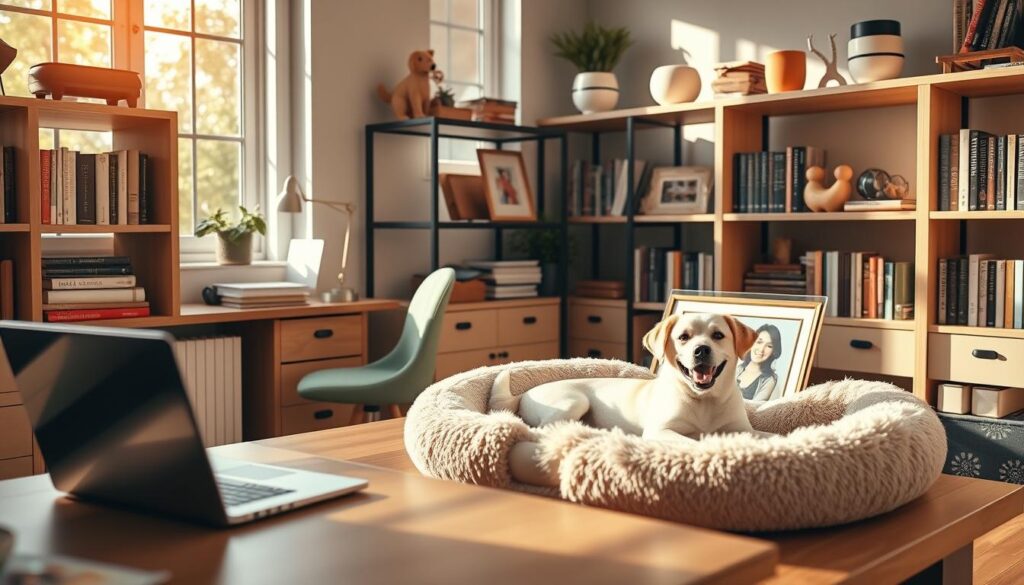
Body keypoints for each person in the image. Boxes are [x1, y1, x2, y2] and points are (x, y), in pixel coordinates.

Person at [736, 323, 782, 401]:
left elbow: (755, 406)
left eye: (769, 346)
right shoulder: (736, 368)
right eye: (759, 342)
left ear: (773, 351)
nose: (761, 349)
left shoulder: (769, 380)